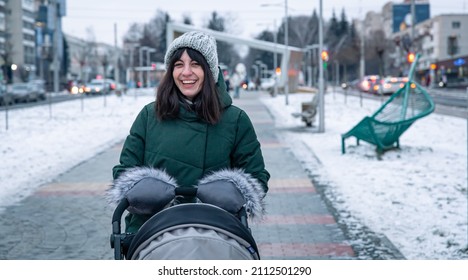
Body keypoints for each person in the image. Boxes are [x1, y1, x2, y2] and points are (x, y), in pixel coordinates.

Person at [107, 31, 270, 234]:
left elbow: (255, 179)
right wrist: (151, 193)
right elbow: (125, 173)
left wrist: (225, 193)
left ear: (210, 71)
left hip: (216, 233)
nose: (186, 72)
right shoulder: (149, 116)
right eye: (178, 65)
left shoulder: (235, 120)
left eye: (195, 64)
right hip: (152, 232)